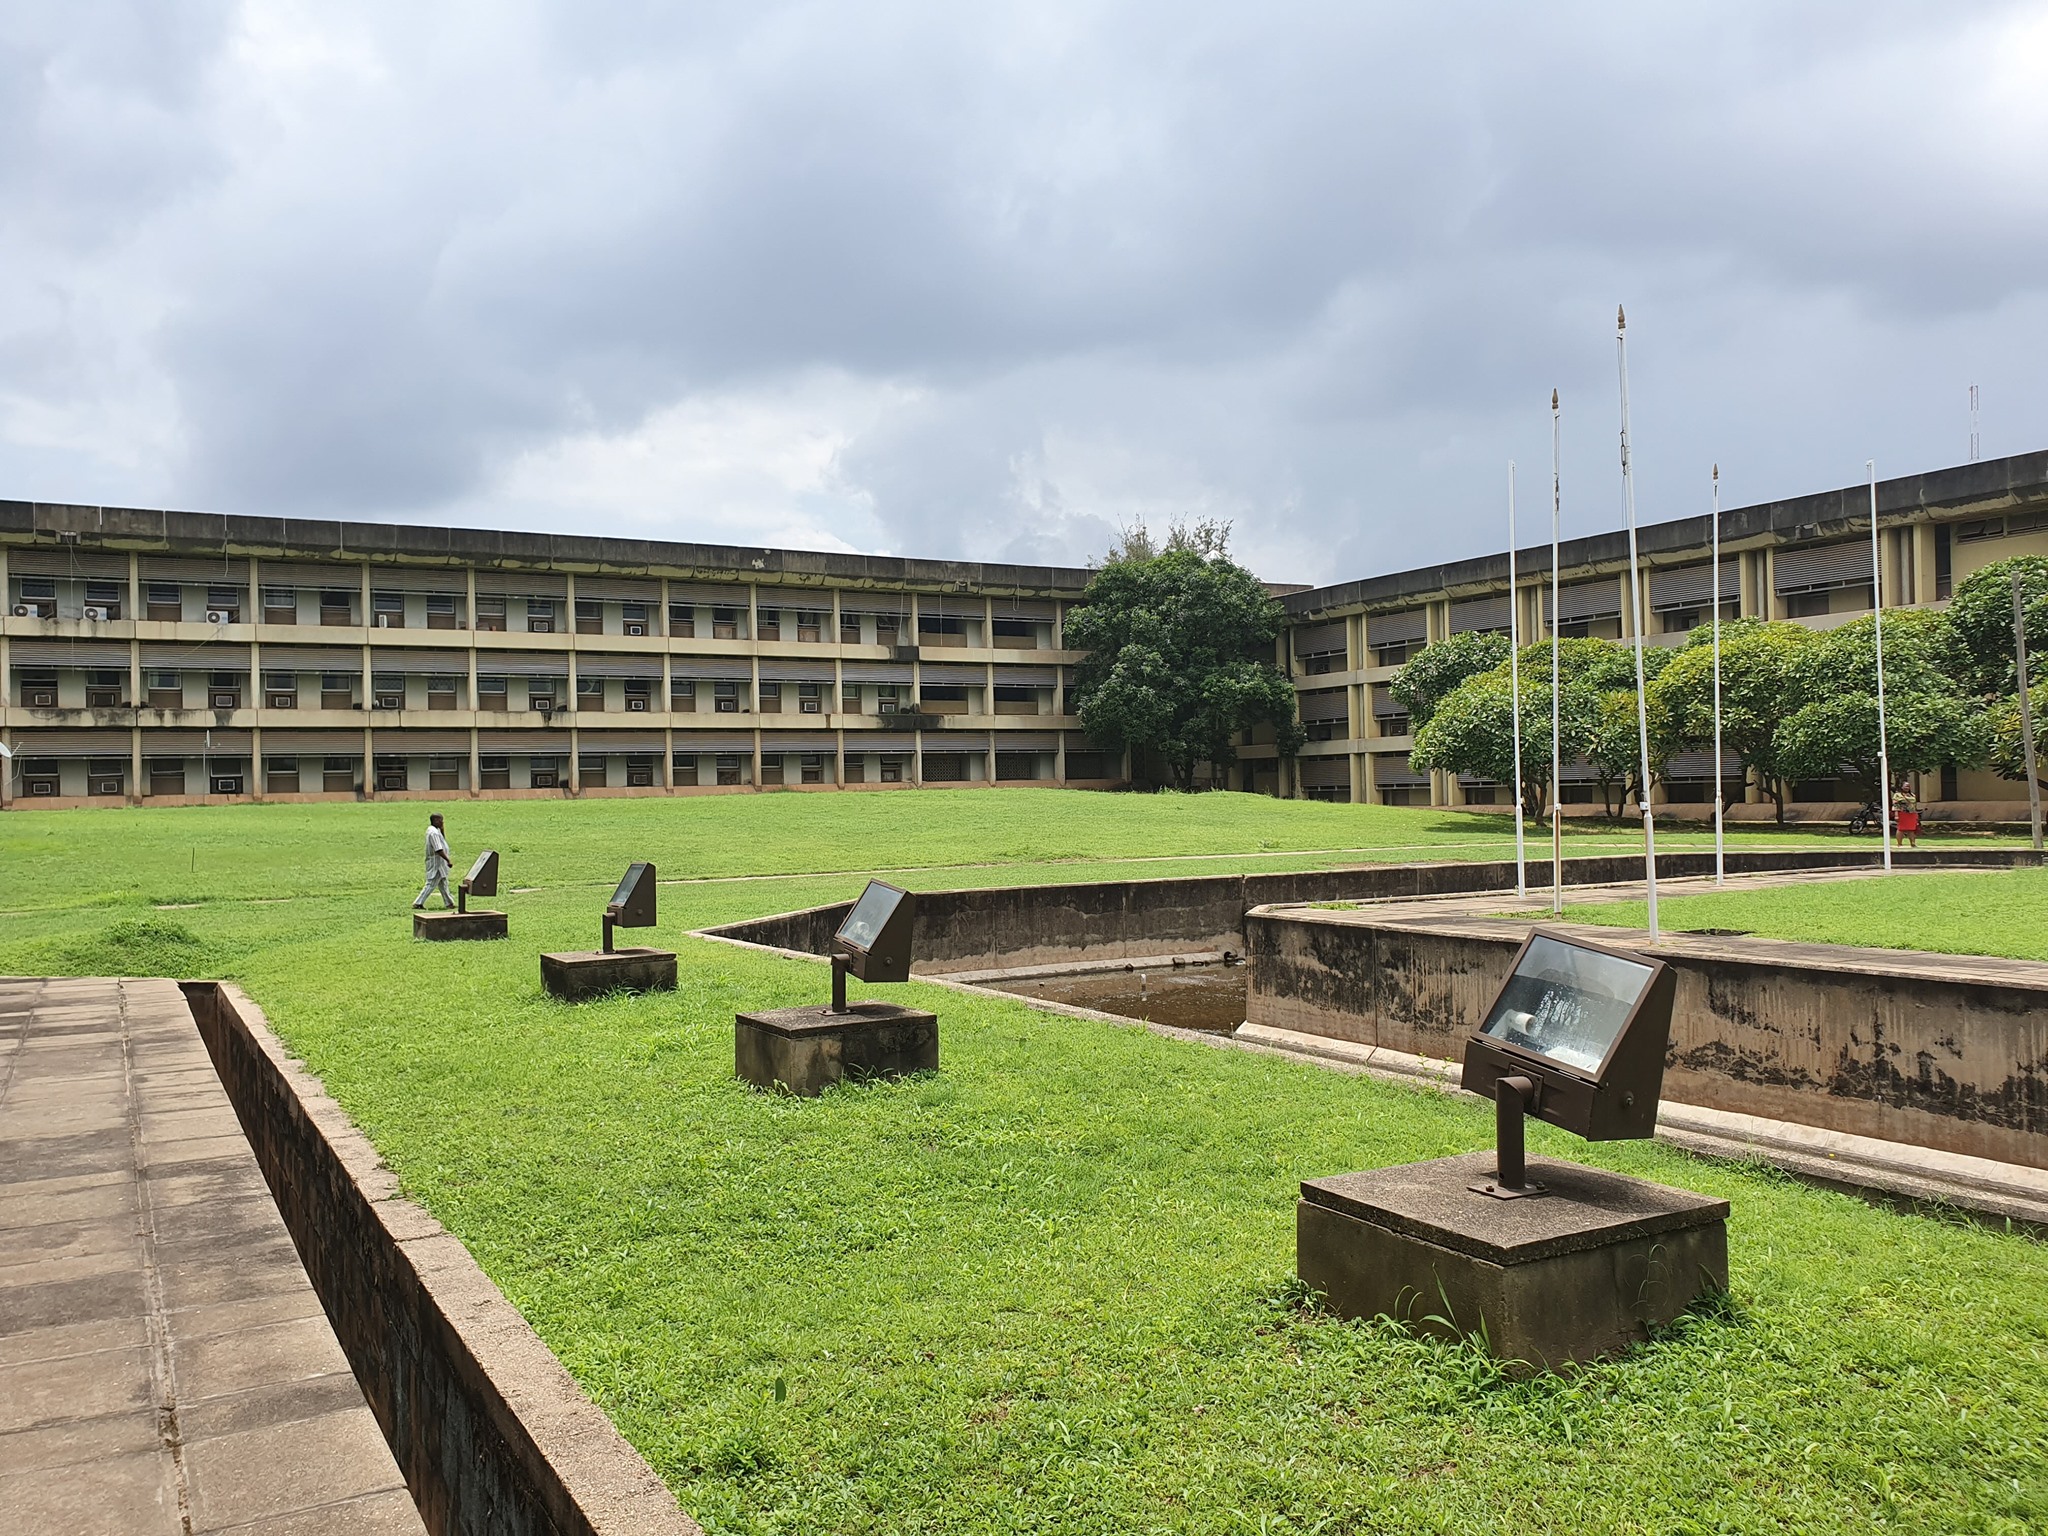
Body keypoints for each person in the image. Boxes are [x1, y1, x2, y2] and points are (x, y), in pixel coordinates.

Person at [415, 814, 455, 909]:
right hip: (436, 863)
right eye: (441, 820)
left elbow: (443, 841)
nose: (442, 822)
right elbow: (438, 849)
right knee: (431, 883)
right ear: (436, 820)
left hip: (439, 863)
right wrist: (448, 860)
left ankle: (449, 903)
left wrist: (442, 829)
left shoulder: (435, 830)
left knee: (443, 883)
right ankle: (418, 903)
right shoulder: (433, 833)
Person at [1892, 778, 1921, 850]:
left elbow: (1914, 805)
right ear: (1901, 787)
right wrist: (1896, 815)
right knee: (1901, 829)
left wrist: (1916, 814)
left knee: (1911, 829)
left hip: (1912, 814)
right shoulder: (1897, 795)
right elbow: (1895, 805)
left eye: (1908, 786)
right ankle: (1899, 844)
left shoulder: (1912, 795)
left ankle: (1913, 843)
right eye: (1905, 786)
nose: (1907, 787)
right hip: (1902, 813)